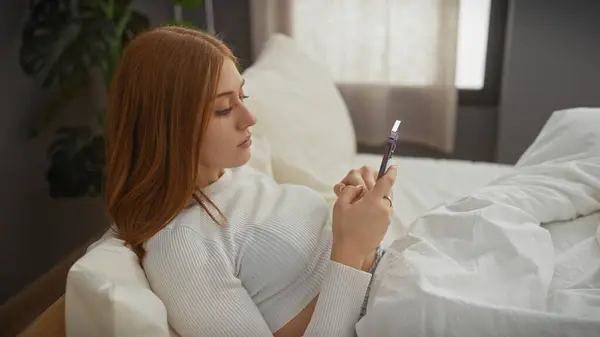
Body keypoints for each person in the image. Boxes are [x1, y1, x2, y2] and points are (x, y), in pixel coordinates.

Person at [104, 26, 398, 337]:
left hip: (401, 275)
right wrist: (352, 248)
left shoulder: (233, 176)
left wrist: (357, 213)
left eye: (242, 95)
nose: (249, 118)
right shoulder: (181, 247)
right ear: (169, 128)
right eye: (224, 108)